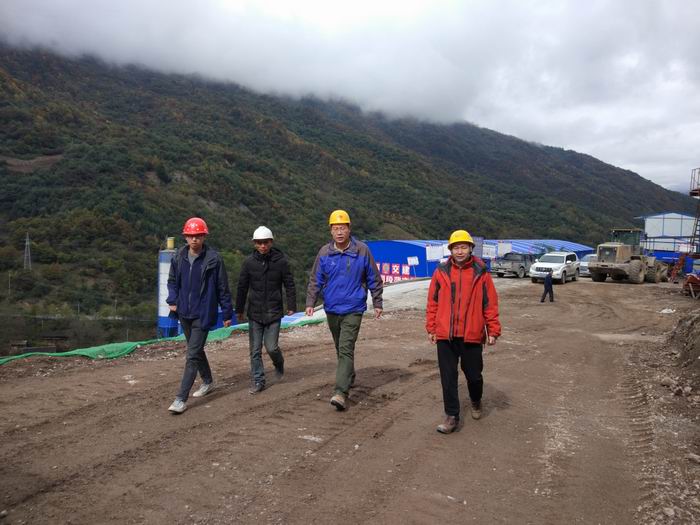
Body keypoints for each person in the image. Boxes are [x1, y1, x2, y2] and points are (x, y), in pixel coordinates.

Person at [305, 209, 383, 411]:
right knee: (340, 348)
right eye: (335, 228)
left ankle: (341, 392)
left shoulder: (362, 250)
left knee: (346, 347)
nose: (339, 232)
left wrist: (377, 302)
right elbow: (315, 279)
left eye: (343, 228)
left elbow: (374, 278)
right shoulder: (324, 253)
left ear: (349, 229)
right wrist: (310, 302)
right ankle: (349, 375)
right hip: (332, 308)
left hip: (353, 308)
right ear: (331, 231)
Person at [425, 230, 501, 434]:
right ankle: (451, 416)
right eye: (456, 247)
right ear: (450, 250)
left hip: (472, 334)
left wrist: (493, 329)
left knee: (474, 376)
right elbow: (432, 302)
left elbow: (490, 304)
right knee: (448, 377)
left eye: (463, 247)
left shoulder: (481, 272)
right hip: (446, 334)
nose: (459, 251)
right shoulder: (441, 271)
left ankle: (476, 400)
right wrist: (431, 327)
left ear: (470, 249)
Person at [166, 217, 233, 414]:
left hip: (203, 314)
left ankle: (180, 399)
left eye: (198, 235)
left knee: (192, 354)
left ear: (204, 236)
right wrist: (172, 300)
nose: (194, 239)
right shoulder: (179, 257)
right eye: (190, 236)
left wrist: (227, 312)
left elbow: (222, 287)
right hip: (184, 312)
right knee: (195, 349)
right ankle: (208, 381)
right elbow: (172, 281)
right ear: (185, 237)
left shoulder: (213, 259)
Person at [236, 226, 296, 394]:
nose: (262, 246)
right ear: (254, 243)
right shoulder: (249, 263)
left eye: (265, 242)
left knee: (271, 347)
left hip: (274, 312)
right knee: (255, 350)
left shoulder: (281, 262)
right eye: (259, 243)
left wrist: (291, 306)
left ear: (271, 242)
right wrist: (239, 309)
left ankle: (279, 363)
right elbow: (242, 287)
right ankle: (258, 380)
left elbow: (289, 284)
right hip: (255, 312)